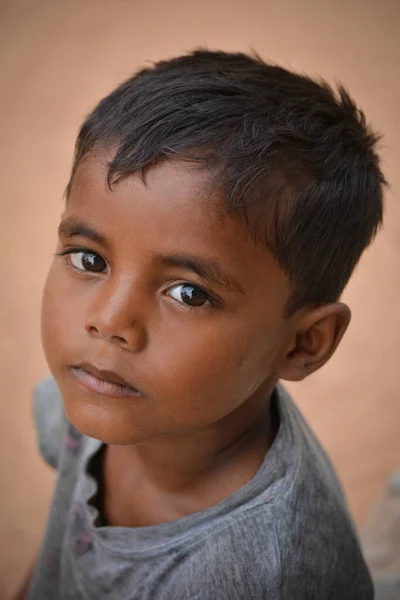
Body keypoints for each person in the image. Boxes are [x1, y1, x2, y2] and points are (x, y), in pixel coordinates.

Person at [19, 49, 385, 599]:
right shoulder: (105, 386)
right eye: (90, 260)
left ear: (304, 343)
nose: (110, 321)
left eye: (189, 294)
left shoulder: (260, 576)